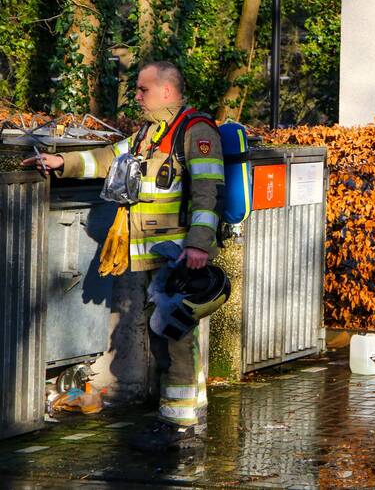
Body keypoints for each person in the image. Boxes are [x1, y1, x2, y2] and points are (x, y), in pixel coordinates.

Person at [26, 61, 225, 451]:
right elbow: (107, 158)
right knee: (170, 334)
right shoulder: (149, 133)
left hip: (179, 255)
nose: (136, 96)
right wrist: (62, 162)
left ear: (166, 91)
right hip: (156, 254)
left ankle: (178, 428)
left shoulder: (195, 131)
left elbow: (209, 192)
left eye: (143, 89)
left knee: (173, 336)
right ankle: (190, 414)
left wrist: (199, 244)